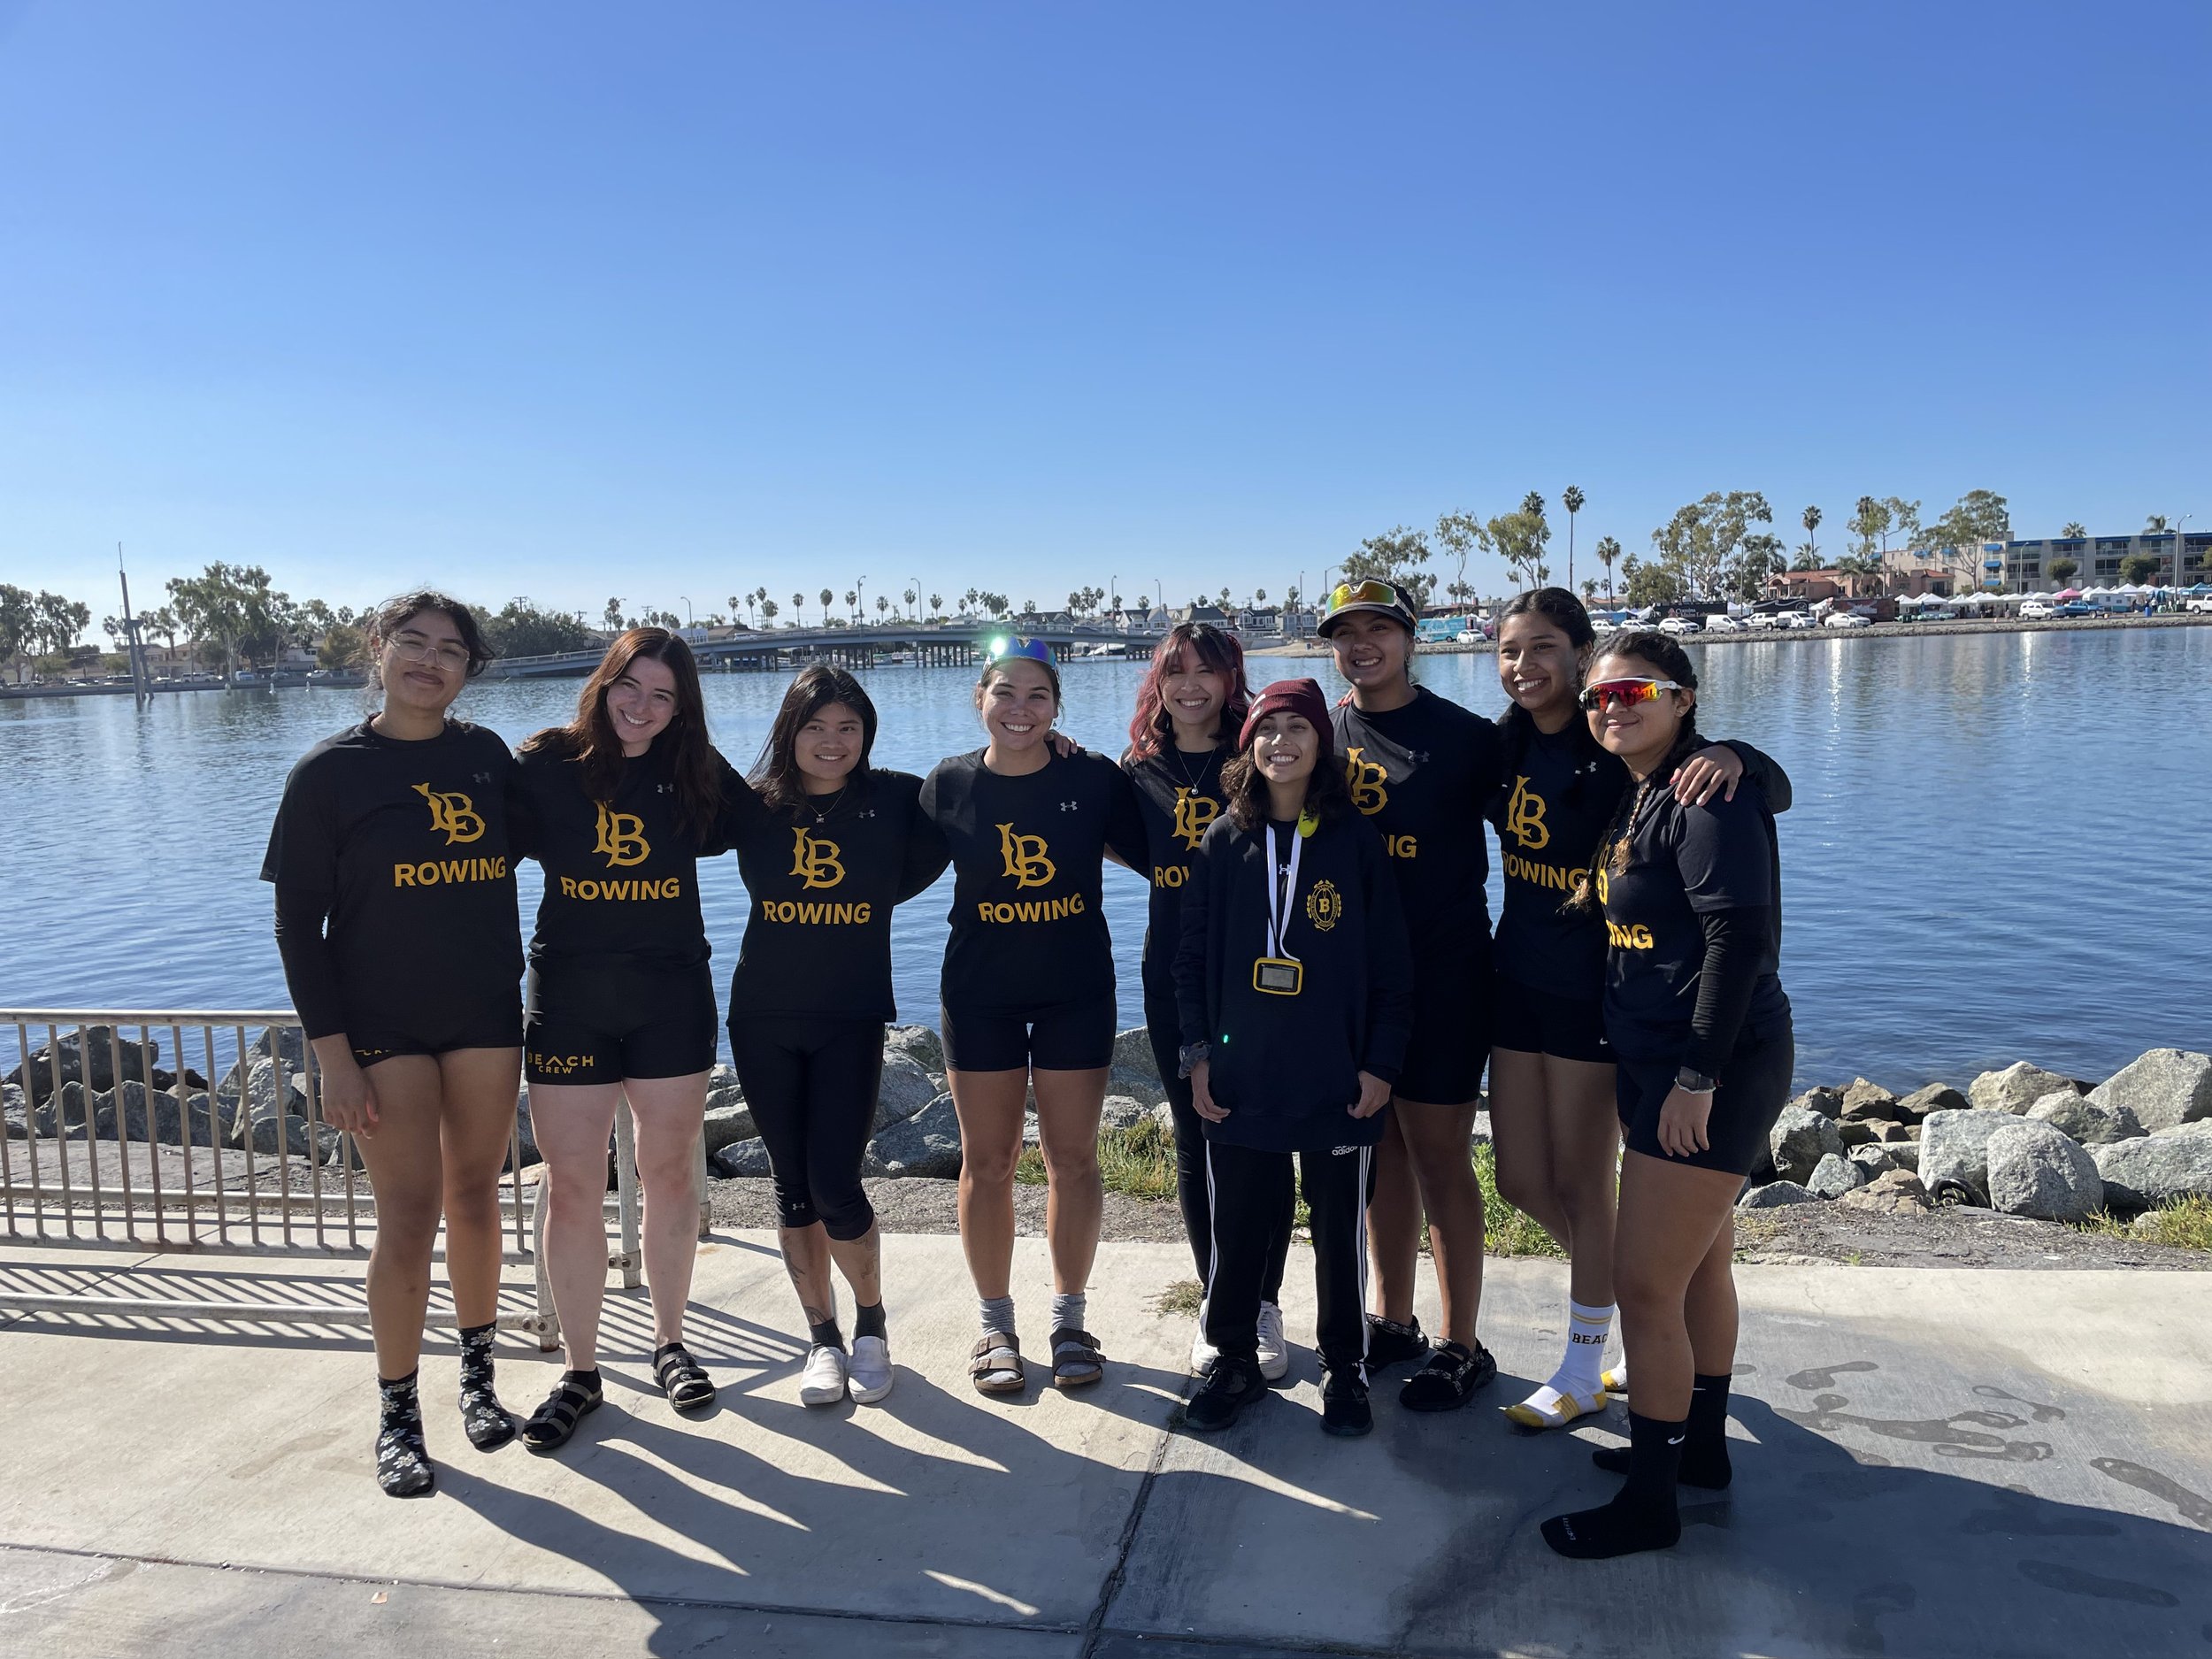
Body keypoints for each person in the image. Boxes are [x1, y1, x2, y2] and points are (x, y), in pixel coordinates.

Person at [1486, 588, 1790, 1431]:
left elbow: (1742, 904)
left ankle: (1592, 1361)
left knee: (1598, 1195)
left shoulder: (1668, 768)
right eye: (1509, 650)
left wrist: (1742, 756)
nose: (1524, 665)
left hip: (1607, 997)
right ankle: (1646, 1293)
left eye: (1544, 647)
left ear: (1581, 655)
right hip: (1529, 983)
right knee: (1521, 1179)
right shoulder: (1511, 746)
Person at [261, 591, 521, 1497]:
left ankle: (480, 1380)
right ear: (377, 650)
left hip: (486, 1013)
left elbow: (563, 830)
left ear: (467, 669)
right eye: (412, 642)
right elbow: (298, 926)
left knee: (478, 1198)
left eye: (451, 649)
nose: (430, 660)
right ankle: (398, 1412)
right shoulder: (328, 775)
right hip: (380, 1028)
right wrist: (330, 1053)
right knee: (408, 1216)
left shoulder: (486, 758)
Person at [1541, 632, 1793, 1560]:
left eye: (1635, 691)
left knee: (1644, 1287)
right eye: (1600, 697)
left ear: (1684, 698)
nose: (1613, 708)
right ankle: (1703, 1455)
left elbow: (1737, 946)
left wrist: (1696, 1078)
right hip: (1657, 1060)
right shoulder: (1646, 788)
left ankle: (1650, 1507)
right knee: (1698, 1271)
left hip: (1709, 1069)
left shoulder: (1709, 796)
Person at [511, 628, 734, 1451]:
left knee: (669, 1171)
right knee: (571, 1186)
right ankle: (580, 1370)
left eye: (662, 695)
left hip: (672, 997)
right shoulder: (546, 765)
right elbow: (459, 832)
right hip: (568, 999)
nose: (642, 706)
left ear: (682, 707)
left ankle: (671, 1343)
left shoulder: (694, 773)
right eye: (628, 686)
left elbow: (789, 808)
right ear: (604, 684)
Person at [1174, 680, 1412, 1438]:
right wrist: (1199, 1055)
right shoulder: (1222, 840)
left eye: (1297, 729)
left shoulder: (1353, 840)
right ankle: (1234, 1357)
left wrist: (1379, 1063)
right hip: (1242, 1077)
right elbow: (1190, 959)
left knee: (1340, 1230)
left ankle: (1346, 1367)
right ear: (1248, 745)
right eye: (1267, 729)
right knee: (1241, 1225)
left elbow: (1390, 967)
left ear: (1322, 742)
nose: (1281, 742)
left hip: (1335, 1077)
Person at [919, 638, 1148, 1395]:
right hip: (979, 994)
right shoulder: (948, 783)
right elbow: (872, 850)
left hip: (1074, 991)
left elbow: (1162, 850)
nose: (1020, 709)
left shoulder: (1092, 777)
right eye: (1005, 693)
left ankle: (1070, 1318)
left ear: (1057, 707)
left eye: (1037, 697)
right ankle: (995, 1323)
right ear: (978, 699)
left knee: (1072, 1159)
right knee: (986, 1160)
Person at [720, 664, 949, 1409]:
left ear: (867, 735)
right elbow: (664, 788)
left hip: (851, 1015)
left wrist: (1059, 745)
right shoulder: (751, 807)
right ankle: (821, 1339)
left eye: (847, 727)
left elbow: (976, 786)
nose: (831, 741)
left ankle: (872, 1326)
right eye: (815, 726)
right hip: (763, 1017)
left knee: (837, 1186)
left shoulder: (893, 798)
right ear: (790, 731)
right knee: (791, 1189)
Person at [1320, 580, 1497, 1410]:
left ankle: (1463, 1343)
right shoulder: (1321, 732)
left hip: (1446, 976)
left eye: (1378, 629)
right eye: (1345, 633)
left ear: (1409, 637)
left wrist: (1728, 756)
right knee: (1378, 1154)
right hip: (1353, 985)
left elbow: (1576, 798)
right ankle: (1394, 1321)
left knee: (1439, 1156)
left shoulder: (1464, 738)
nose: (1361, 645)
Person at [1122, 622, 1293, 1379]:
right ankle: (1216, 1295)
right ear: (1158, 682)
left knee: (1264, 1138)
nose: (1190, 684)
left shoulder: (1259, 754)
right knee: (1197, 1137)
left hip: (1258, 981)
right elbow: (1102, 834)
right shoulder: (1135, 772)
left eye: (1207, 671)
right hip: (1173, 978)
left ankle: (1265, 1302)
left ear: (1231, 680)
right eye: (1175, 670)